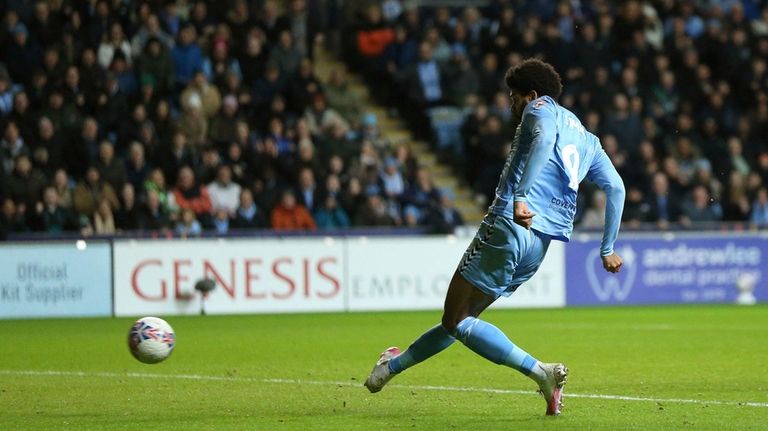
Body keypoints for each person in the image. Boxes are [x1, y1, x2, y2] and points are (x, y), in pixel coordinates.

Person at [364, 59, 626, 416]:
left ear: (532, 95)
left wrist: (521, 196)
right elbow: (616, 187)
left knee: (457, 319)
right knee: (460, 319)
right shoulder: (586, 138)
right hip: (540, 245)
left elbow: (546, 137)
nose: (511, 104)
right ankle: (390, 368)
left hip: (510, 223)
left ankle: (541, 372)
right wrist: (607, 247)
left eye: (513, 97)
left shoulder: (540, 108)